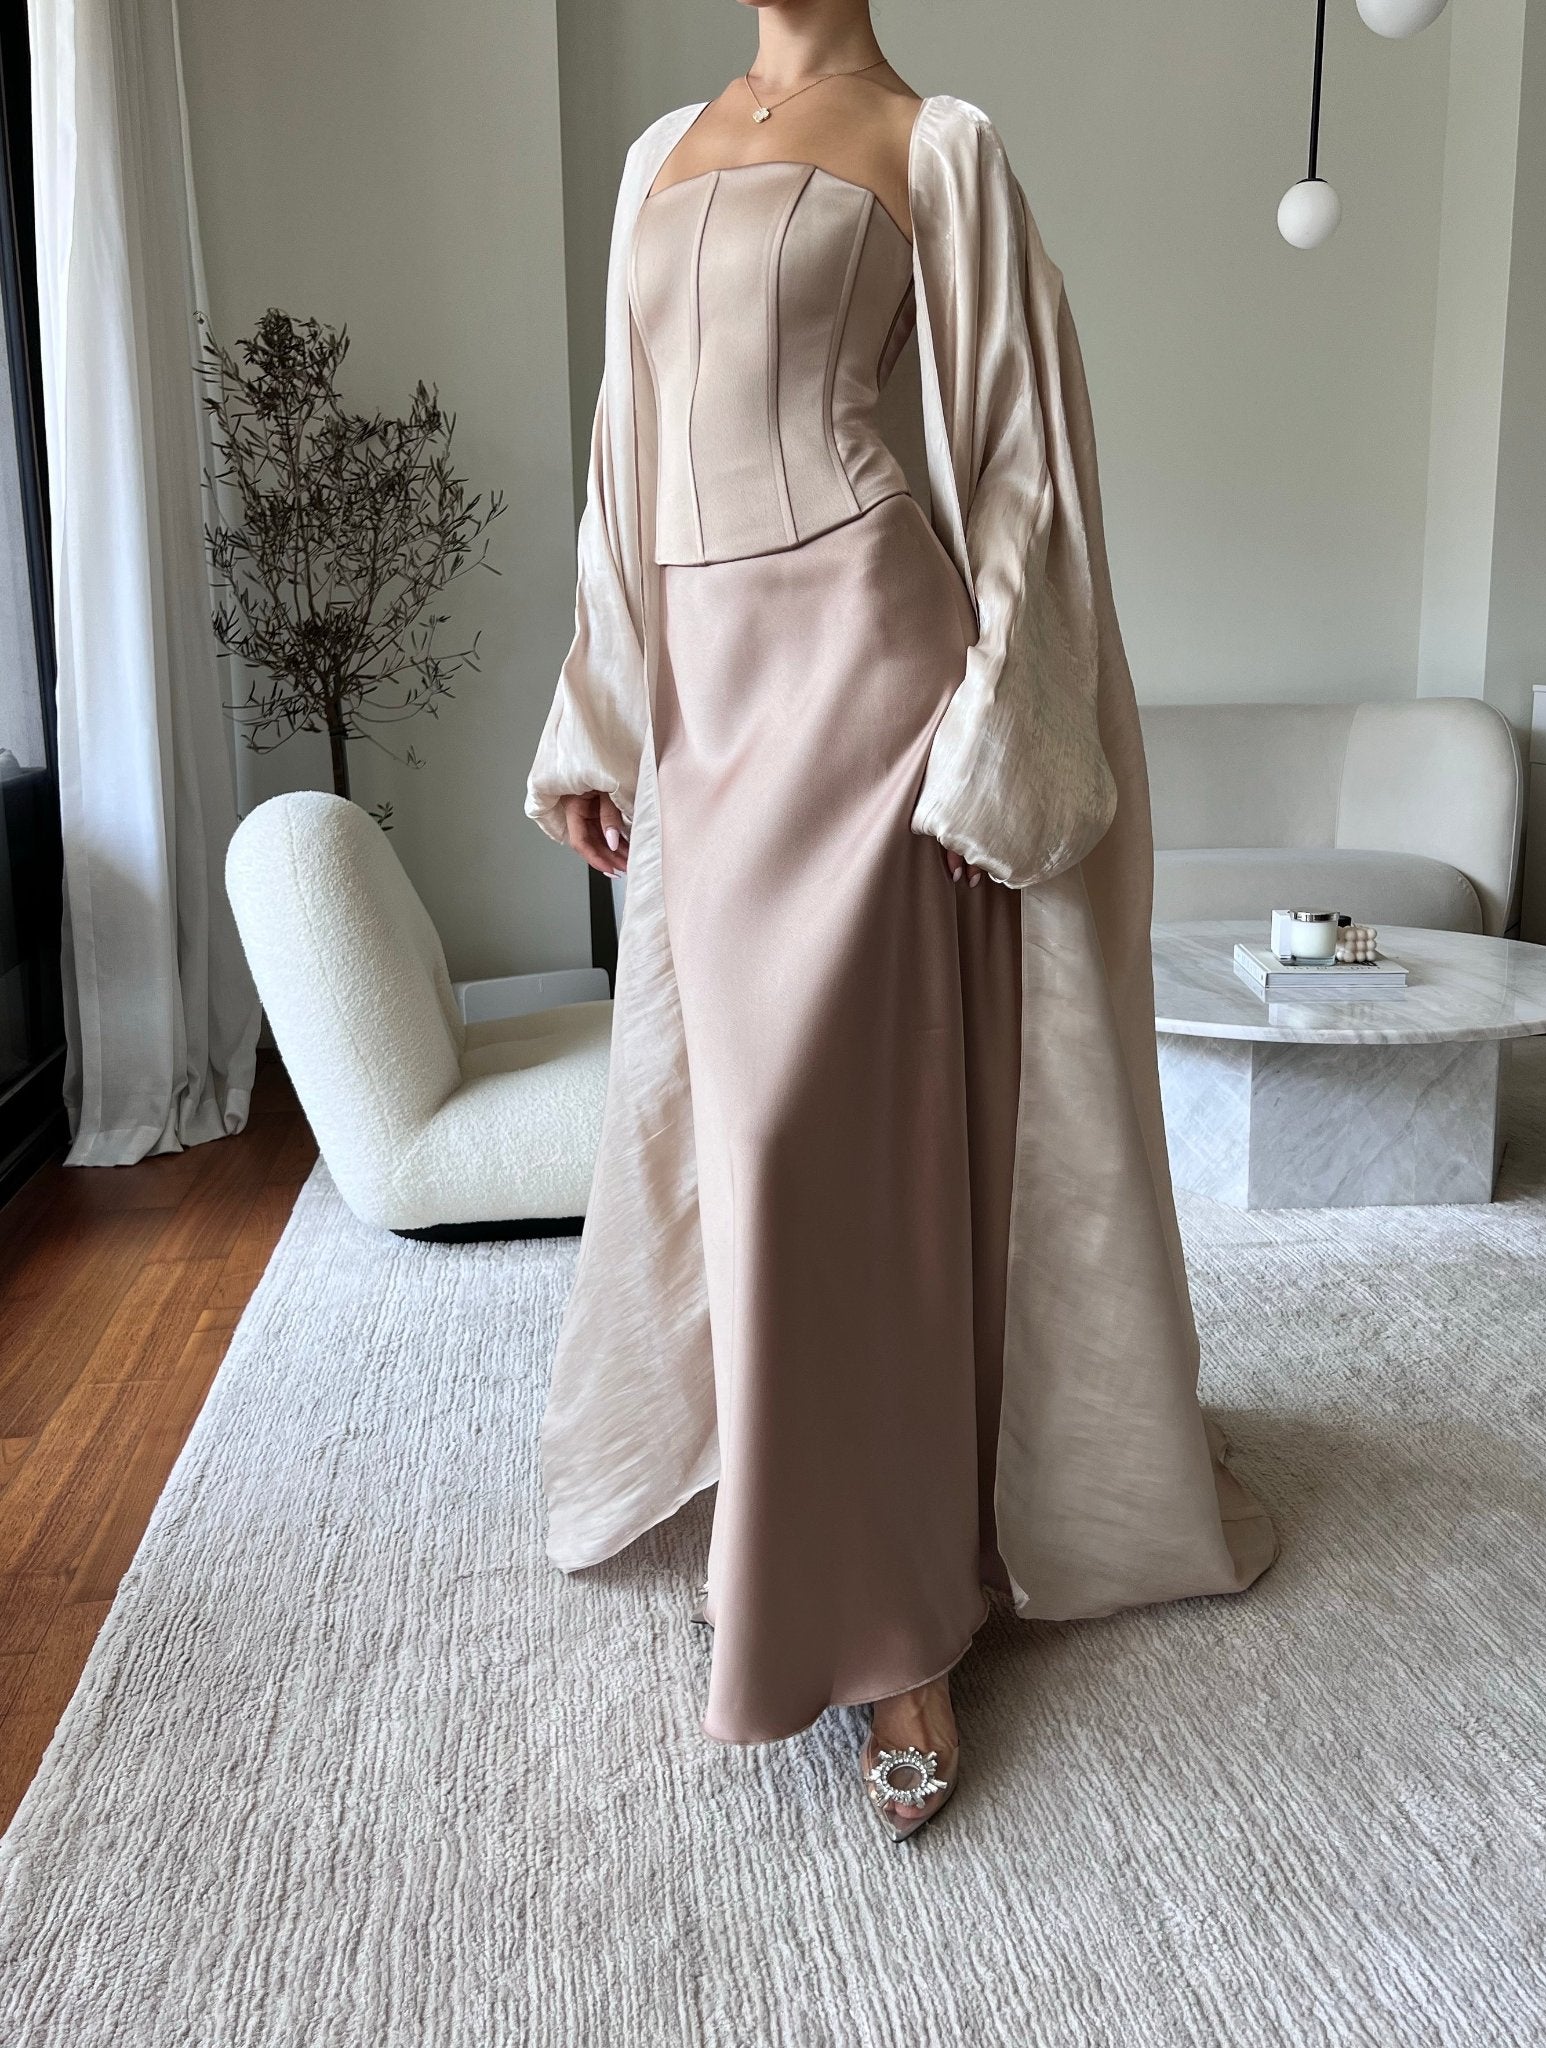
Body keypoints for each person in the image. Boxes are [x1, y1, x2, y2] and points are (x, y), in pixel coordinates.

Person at [526, 0, 1277, 1843]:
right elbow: (625, 464)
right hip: (706, 713)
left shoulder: (938, 145)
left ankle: (896, 1628)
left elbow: (1021, 466)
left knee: (828, 1149)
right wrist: (603, 709)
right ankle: (805, 1517)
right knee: (740, 1129)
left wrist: (994, 734)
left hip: (872, 678)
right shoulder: (655, 152)